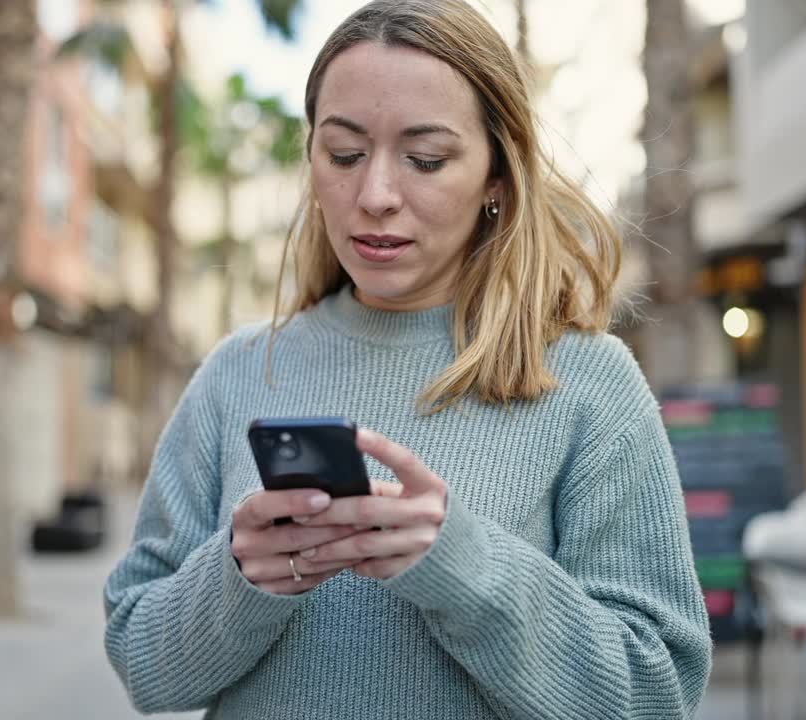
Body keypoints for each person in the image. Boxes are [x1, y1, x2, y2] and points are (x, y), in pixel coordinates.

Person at [103, 0, 712, 717]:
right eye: (344, 154)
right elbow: (142, 664)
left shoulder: (589, 385)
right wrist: (239, 577)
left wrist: (464, 568)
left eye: (426, 159)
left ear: (496, 176)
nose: (376, 195)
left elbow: (657, 692)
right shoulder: (237, 372)